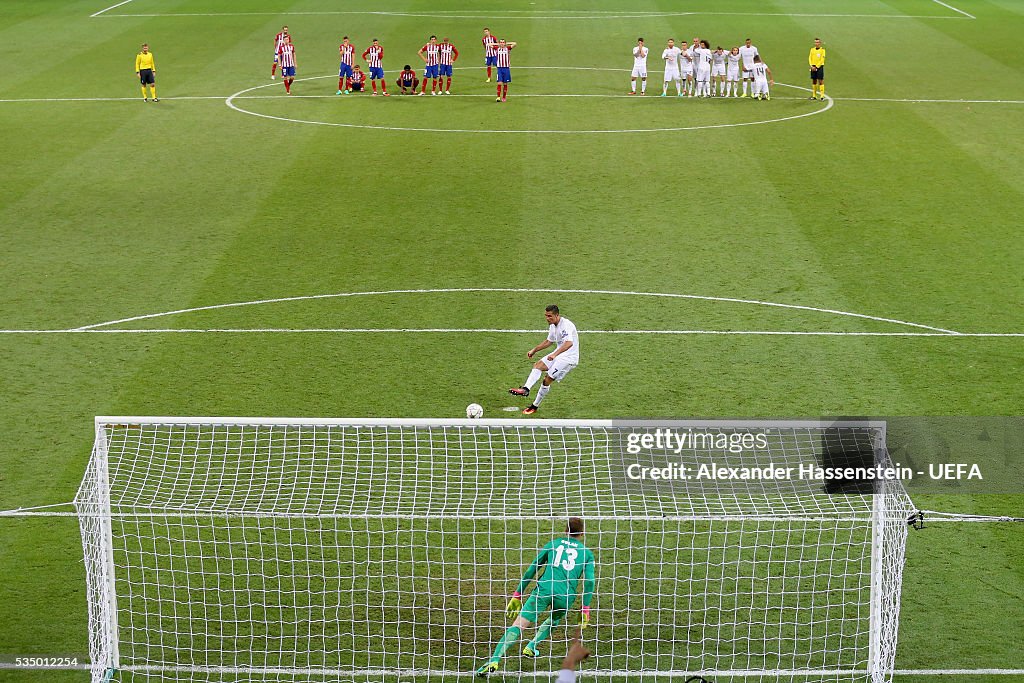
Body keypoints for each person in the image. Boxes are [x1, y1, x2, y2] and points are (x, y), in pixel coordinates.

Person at [475, 518, 595, 677]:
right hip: (565, 596)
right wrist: (585, 608)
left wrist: (518, 594)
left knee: (518, 625)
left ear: (565, 531)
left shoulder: (553, 544)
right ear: (582, 533)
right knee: (554, 619)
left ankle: (494, 659)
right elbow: (590, 582)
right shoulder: (587, 553)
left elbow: (532, 569)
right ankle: (532, 646)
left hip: (544, 590)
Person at [508, 305, 578, 415]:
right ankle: (526, 389)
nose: (547, 318)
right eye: (546, 316)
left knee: (547, 380)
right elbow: (549, 341)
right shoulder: (553, 325)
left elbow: (569, 343)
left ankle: (534, 406)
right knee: (538, 365)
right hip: (559, 355)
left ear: (557, 315)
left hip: (569, 358)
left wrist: (554, 354)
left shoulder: (566, 325)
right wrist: (534, 350)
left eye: (549, 316)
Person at [493, 38, 517, 102]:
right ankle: (498, 97)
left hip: (506, 68)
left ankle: (504, 97)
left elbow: (515, 43)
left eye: (503, 42)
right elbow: (488, 44)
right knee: (499, 83)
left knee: (505, 83)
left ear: (505, 43)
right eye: (501, 42)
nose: (502, 43)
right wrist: (498, 44)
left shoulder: (508, 48)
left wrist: (507, 43)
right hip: (499, 68)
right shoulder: (497, 48)